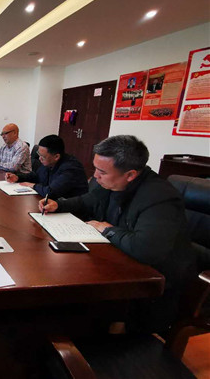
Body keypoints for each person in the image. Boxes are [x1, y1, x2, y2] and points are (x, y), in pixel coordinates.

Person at [40, 135, 195, 333]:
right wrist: (59, 205)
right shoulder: (112, 182)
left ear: (130, 175)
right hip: (118, 262)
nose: (95, 176)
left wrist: (107, 229)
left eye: (102, 171)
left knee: (76, 311)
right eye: (95, 168)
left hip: (150, 286)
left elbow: (145, 249)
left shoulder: (160, 198)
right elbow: (89, 200)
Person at [5, 135, 88, 198]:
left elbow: (51, 192)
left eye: (43, 156)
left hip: (72, 212)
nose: (40, 158)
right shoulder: (49, 162)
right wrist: (17, 177)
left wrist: (32, 185)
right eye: (39, 154)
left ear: (56, 156)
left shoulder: (71, 168)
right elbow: (36, 176)